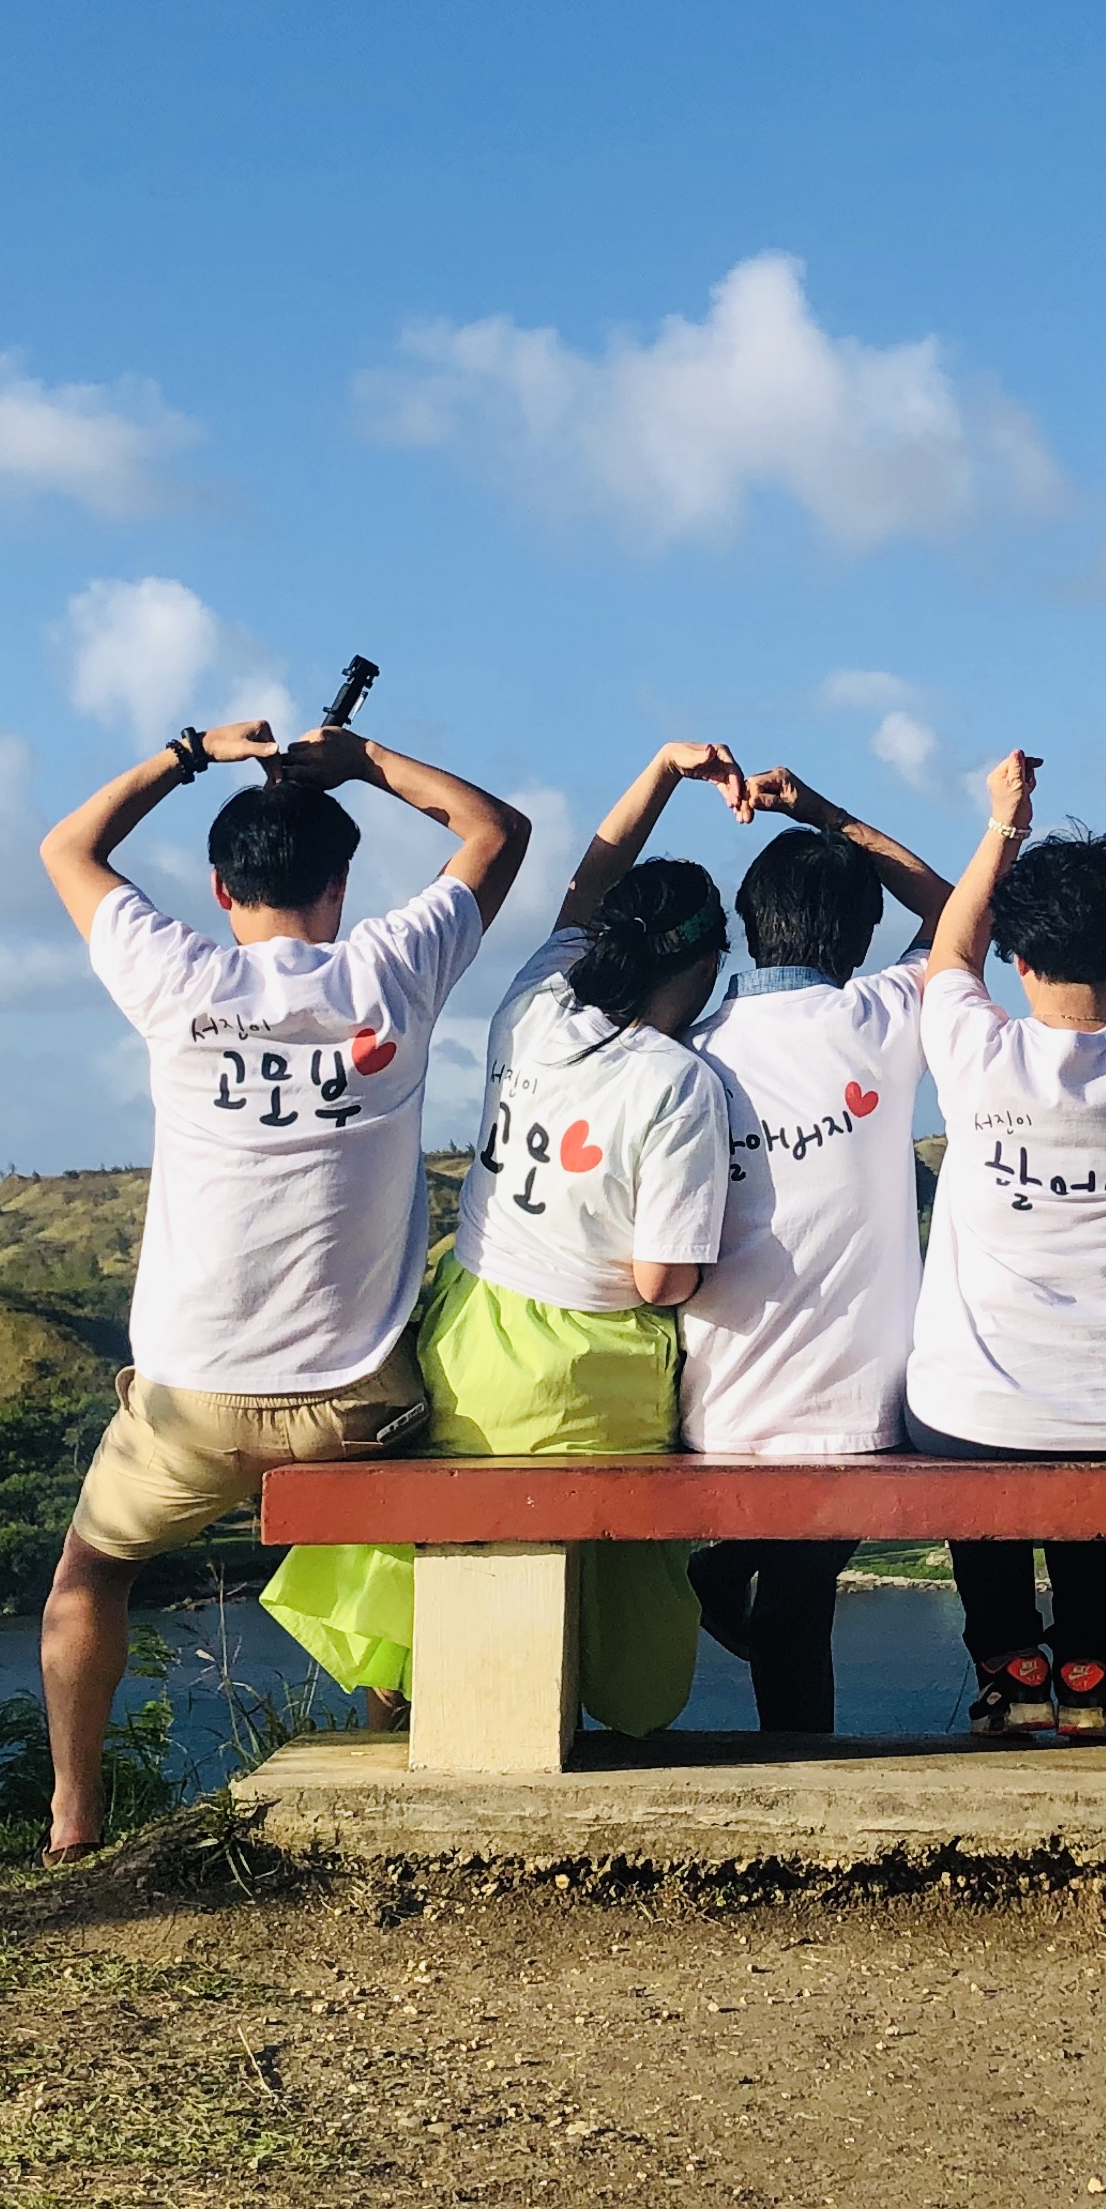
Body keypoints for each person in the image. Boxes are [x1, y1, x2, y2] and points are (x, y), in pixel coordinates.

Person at [32, 713, 530, 1864]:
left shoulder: (178, 975)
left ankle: (71, 1816)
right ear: (343, 884)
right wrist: (367, 763)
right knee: (418, 1542)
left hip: (187, 1405)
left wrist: (188, 752)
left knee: (89, 1573)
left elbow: (68, 850)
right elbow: (494, 831)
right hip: (357, 1405)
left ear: (218, 886)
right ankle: (395, 1756)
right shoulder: (391, 971)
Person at [263, 739, 743, 1735]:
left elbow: (589, 879)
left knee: (442, 1521)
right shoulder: (679, 1083)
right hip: (585, 1375)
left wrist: (656, 769)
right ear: (703, 970)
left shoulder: (538, 1001)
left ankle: (408, 1699)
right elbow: (662, 1281)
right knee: (627, 1531)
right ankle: (600, 1695)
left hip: (467, 1343)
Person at [908, 745, 1106, 1741]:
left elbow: (950, 955)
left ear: (1019, 961)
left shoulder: (976, 1048)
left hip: (973, 1419)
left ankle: (1009, 1662)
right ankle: (1090, 1671)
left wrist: (1006, 820)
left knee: (972, 1415)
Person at [679, 767, 956, 1732]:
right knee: (802, 1595)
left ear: (751, 922)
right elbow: (959, 910)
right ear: (858, 936)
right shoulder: (878, 1018)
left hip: (715, 1402)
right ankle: (794, 1750)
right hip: (861, 1405)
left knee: (794, 1597)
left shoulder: (696, 1047)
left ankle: (720, 1582)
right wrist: (826, 811)